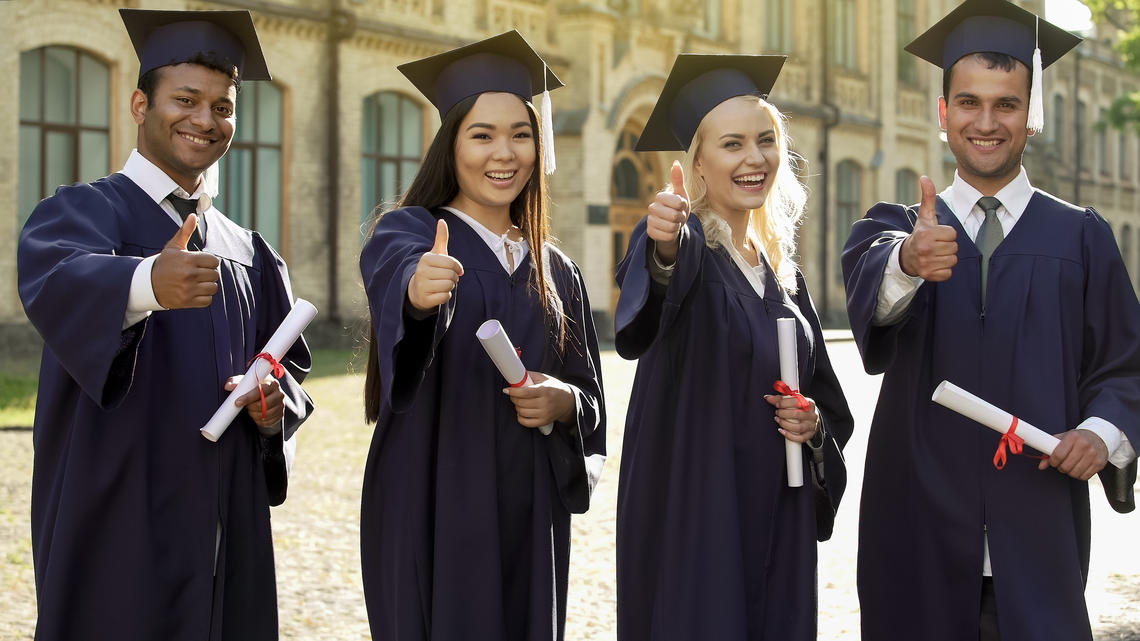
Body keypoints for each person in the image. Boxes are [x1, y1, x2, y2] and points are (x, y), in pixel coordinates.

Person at [842, 1, 1140, 639]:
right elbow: (872, 311)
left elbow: (1124, 364)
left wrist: (1100, 432)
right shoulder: (894, 229)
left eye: (1006, 104)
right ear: (942, 110)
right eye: (969, 102)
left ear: (1031, 115)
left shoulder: (1081, 237)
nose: (986, 121)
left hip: (1037, 529)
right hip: (917, 524)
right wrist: (908, 263)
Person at [17, 9, 313, 641]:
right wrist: (148, 282)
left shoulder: (247, 249)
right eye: (185, 99)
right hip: (117, 515)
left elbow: (288, 373)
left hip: (224, 526)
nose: (205, 120)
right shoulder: (82, 213)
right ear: (138, 104)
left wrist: (272, 406)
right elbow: (60, 283)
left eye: (223, 107)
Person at [358, 30, 606, 641]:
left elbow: (590, 398)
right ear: (452, 145)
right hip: (432, 497)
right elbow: (394, 280)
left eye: (521, 134)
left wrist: (564, 401)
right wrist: (419, 292)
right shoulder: (409, 232)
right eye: (483, 134)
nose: (505, 152)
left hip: (529, 510)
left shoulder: (558, 270)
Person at [614, 54, 853, 641]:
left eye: (766, 141)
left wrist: (812, 424)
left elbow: (822, 398)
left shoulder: (780, 273)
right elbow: (652, 291)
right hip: (701, 511)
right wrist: (663, 245)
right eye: (731, 144)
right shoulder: (689, 242)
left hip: (779, 511)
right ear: (696, 162)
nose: (754, 158)